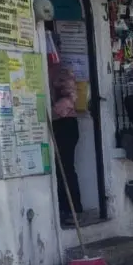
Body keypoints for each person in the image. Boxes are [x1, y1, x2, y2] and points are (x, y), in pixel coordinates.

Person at [50, 64, 82, 226]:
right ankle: (69, 208)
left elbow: (56, 112)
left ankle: (71, 209)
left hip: (66, 128)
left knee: (66, 169)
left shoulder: (66, 99)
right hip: (66, 127)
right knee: (64, 169)